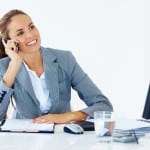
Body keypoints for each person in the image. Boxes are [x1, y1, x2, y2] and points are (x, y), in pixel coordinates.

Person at [0, 9, 113, 124]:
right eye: (20, 33)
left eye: (31, 27)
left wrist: (66, 117)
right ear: (8, 42)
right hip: (22, 138)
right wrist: (14, 64)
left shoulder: (65, 59)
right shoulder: (4, 67)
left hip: (61, 137)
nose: (30, 34)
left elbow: (104, 106)